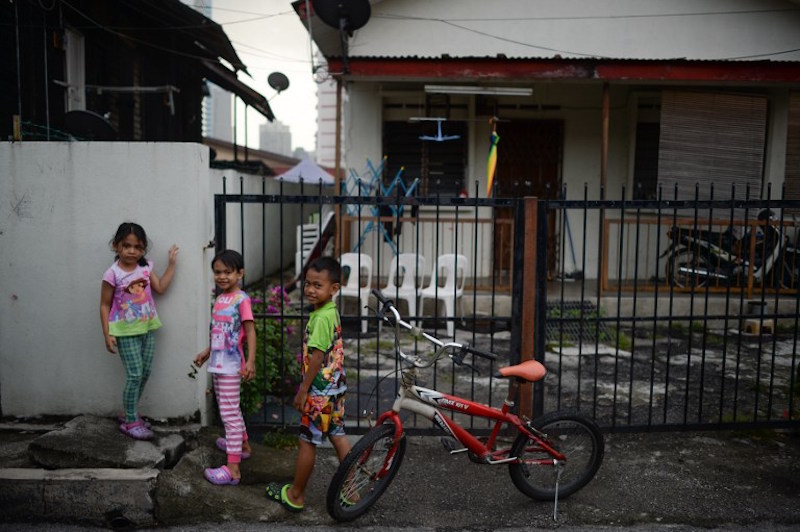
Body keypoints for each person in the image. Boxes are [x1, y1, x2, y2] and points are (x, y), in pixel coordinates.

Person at [266, 256, 351, 512]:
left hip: (318, 393)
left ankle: (296, 494)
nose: (310, 290)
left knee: (307, 441)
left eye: (318, 285)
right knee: (338, 435)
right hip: (336, 388)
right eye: (308, 284)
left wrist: (303, 390)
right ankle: (351, 492)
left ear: (334, 289)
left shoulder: (320, 318)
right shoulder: (329, 311)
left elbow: (316, 358)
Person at [100, 222, 178, 441]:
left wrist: (171, 264)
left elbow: (160, 288)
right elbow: (105, 304)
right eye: (127, 246)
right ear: (116, 246)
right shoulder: (112, 273)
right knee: (134, 375)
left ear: (143, 249)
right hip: (124, 332)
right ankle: (131, 421)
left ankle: (129, 412)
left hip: (147, 327)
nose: (132, 251)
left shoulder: (145, 268)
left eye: (138, 247)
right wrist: (107, 333)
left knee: (145, 373)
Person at [193, 249, 256, 485]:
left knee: (229, 415)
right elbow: (220, 333)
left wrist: (249, 361)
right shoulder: (220, 299)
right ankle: (243, 445)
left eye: (227, 272)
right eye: (217, 272)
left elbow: (250, 331)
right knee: (229, 409)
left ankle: (233, 469)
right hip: (218, 364)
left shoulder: (242, 299)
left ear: (240, 274)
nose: (222, 277)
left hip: (231, 365)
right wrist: (207, 352)